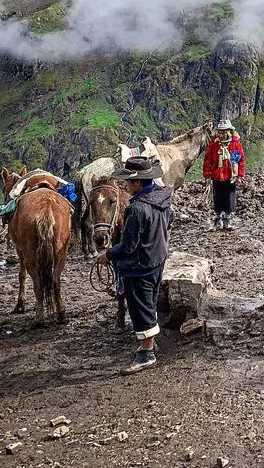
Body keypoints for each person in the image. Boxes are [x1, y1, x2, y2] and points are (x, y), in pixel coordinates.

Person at [96, 156, 174, 374]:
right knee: (149, 301)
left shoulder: (137, 209)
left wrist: (108, 255)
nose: (126, 186)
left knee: (141, 307)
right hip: (157, 258)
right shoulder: (162, 199)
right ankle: (149, 342)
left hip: (139, 265)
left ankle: (146, 353)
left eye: (128, 182)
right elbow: (170, 220)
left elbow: (128, 246)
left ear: (138, 183)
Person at [202, 119, 246, 231]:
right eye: (220, 132)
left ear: (229, 131)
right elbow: (208, 160)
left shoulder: (235, 144)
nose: (221, 134)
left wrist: (240, 175)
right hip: (217, 176)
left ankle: (227, 220)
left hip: (231, 176)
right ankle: (217, 220)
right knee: (218, 198)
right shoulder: (213, 145)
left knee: (229, 198)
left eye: (223, 132)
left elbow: (241, 160)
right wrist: (207, 175)